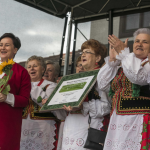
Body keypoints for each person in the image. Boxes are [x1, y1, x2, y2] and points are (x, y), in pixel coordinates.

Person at [97, 28, 150, 150]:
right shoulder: (127, 61)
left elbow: (138, 77)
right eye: (137, 41)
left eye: (145, 42)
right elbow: (103, 84)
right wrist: (113, 61)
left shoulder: (145, 62)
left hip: (138, 118)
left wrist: (124, 54)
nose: (139, 44)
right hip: (118, 119)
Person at [61, 39, 111, 150]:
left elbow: (107, 106)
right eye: (82, 52)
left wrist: (83, 106)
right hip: (71, 125)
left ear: (97, 58)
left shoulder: (102, 77)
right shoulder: (76, 78)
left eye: (87, 52)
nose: (83, 54)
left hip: (90, 126)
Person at [0, 33, 31, 150]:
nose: (2, 48)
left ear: (15, 50)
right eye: (0, 45)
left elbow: (24, 100)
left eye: (7, 45)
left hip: (7, 124)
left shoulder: (21, 72)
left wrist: (6, 97)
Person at [20, 56, 58, 150]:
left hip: (43, 125)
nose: (31, 68)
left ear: (43, 69)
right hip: (23, 125)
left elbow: (48, 105)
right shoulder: (21, 85)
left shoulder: (51, 85)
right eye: (29, 67)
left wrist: (31, 87)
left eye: (35, 66)